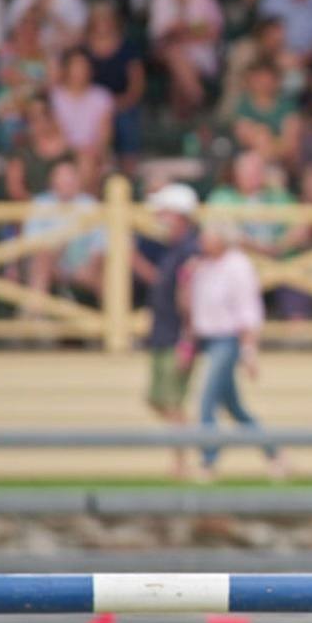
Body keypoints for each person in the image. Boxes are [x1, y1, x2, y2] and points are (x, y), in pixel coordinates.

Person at [184, 221, 282, 482]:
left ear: (221, 240)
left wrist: (249, 351)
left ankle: (208, 462)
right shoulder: (202, 266)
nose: (202, 242)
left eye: (207, 237)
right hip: (208, 340)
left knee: (207, 401)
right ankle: (274, 454)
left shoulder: (238, 266)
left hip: (228, 340)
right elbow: (193, 309)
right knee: (235, 408)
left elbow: (248, 310)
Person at [140, 182, 201, 479]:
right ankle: (187, 445)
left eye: (164, 212)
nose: (159, 218)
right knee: (156, 399)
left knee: (173, 402)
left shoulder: (190, 252)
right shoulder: (174, 250)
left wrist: (187, 342)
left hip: (176, 336)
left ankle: (182, 463)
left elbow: (190, 302)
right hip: (163, 333)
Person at [149, 0, 224, 116]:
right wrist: (192, 30)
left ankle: (180, 118)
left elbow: (214, 30)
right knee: (174, 53)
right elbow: (160, 33)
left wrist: (183, 30)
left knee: (178, 70)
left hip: (201, 51)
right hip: (164, 52)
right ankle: (200, 101)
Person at [21, 157, 106, 301]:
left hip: (84, 265)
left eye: (70, 176)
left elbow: (100, 246)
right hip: (50, 264)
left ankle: (115, 314)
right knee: (42, 261)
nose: (67, 181)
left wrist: (89, 267)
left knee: (109, 273)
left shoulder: (90, 205)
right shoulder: (40, 203)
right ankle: (34, 312)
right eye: (62, 177)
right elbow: (32, 246)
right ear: (52, 181)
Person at [84, 1, 144, 164]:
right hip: (90, 105)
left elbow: (137, 84)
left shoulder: (128, 48)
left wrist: (118, 103)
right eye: (99, 19)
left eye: (107, 19)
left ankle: (128, 163)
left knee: (125, 119)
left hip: (121, 102)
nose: (103, 24)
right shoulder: (84, 49)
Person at [48, 47, 114, 167]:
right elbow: (55, 133)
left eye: (83, 66)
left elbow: (104, 136)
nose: (79, 71)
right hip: (63, 154)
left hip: (93, 154)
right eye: (75, 66)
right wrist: (75, 152)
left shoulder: (102, 97)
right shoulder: (54, 97)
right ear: (66, 69)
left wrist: (91, 152)